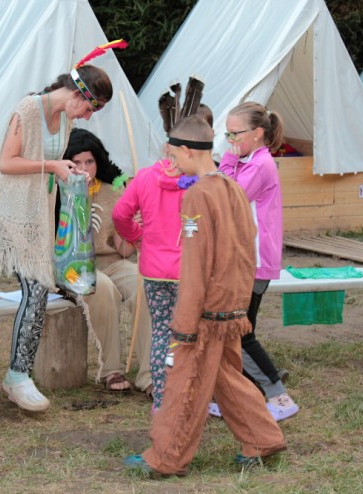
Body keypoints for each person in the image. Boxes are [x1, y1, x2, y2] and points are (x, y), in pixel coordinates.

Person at [124, 115, 287, 477]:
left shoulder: (197, 195)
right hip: (230, 306)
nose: (171, 164)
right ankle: (262, 438)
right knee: (225, 376)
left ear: (187, 150)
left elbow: (196, 263)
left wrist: (184, 322)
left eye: (173, 156)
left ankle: (166, 457)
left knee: (184, 382)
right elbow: (247, 246)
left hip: (207, 312)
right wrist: (237, 305)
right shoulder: (231, 187)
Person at [0, 62, 113, 412]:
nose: (87, 116)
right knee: (37, 286)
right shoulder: (27, 109)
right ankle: (17, 376)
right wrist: (52, 166)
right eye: (90, 108)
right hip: (8, 209)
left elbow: (50, 165)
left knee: (40, 286)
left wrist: (68, 172)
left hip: (35, 210)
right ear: (78, 94)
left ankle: (18, 374)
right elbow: (6, 163)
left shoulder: (65, 119)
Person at [219, 102, 299, 421]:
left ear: (257, 133)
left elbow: (229, 197)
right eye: (226, 134)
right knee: (238, 330)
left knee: (240, 332)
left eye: (234, 134)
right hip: (247, 259)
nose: (229, 140)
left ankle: (279, 396)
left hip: (253, 261)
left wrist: (227, 160)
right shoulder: (250, 160)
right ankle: (242, 397)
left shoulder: (260, 164)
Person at [61, 128, 152, 394]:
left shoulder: (113, 191)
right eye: (76, 162)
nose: (83, 169)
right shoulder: (55, 191)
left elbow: (123, 249)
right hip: (73, 267)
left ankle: (150, 374)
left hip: (113, 261)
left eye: (89, 161)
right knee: (102, 288)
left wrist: (133, 227)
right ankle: (111, 369)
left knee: (144, 286)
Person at [112, 136, 197, 411]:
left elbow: (120, 215)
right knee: (188, 336)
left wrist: (138, 235)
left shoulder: (145, 177)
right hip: (186, 272)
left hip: (155, 271)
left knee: (162, 332)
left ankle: (162, 400)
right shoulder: (199, 182)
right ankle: (183, 397)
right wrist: (138, 235)